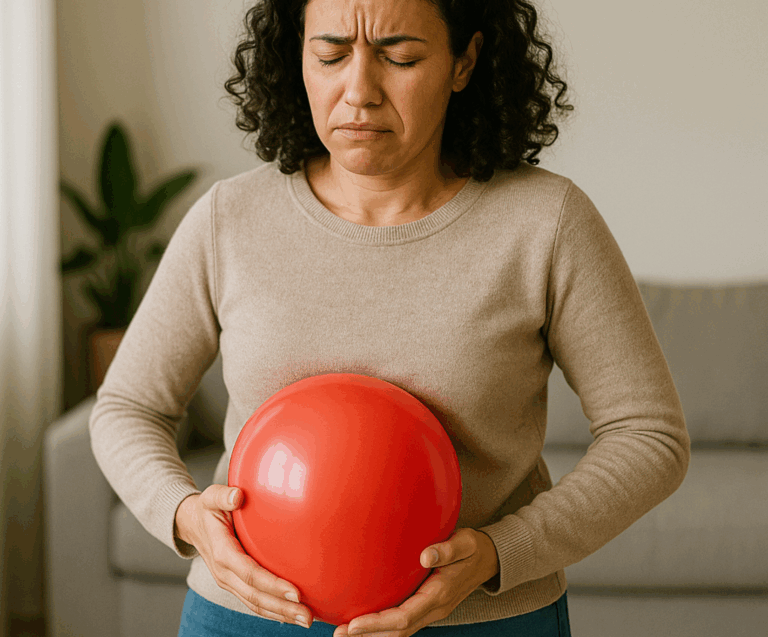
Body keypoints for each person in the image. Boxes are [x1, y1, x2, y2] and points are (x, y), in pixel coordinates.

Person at [88, 0, 691, 635]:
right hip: (247, 618)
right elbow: (127, 407)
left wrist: (498, 553)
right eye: (329, 55)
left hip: (483, 620)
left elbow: (648, 436)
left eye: (399, 57)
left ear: (465, 61)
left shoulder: (546, 222)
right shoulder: (228, 219)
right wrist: (187, 517)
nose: (359, 92)